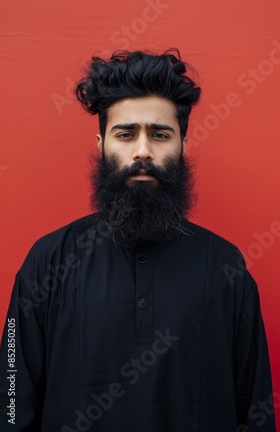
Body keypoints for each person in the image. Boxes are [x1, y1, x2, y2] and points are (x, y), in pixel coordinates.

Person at [0, 48, 276, 432]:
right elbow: (12, 398)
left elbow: (255, 405)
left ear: (182, 145)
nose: (142, 151)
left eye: (160, 134)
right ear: (101, 145)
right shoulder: (48, 261)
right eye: (125, 134)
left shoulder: (226, 267)